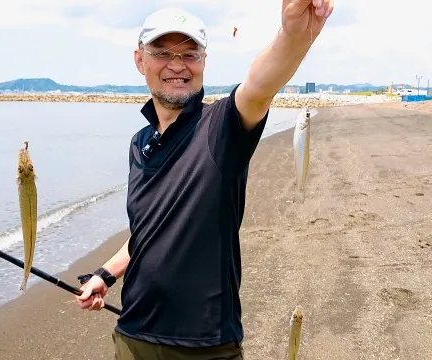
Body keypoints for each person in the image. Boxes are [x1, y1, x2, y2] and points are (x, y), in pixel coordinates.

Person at [76, 1, 334, 358]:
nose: (178, 65)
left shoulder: (222, 127)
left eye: (190, 54)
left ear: (203, 63)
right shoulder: (140, 144)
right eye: (163, 52)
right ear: (140, 61)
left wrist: (293, 35)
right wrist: (104, 275)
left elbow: (260, 84)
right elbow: (149, 229)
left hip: (206, 345)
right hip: (133, 335)